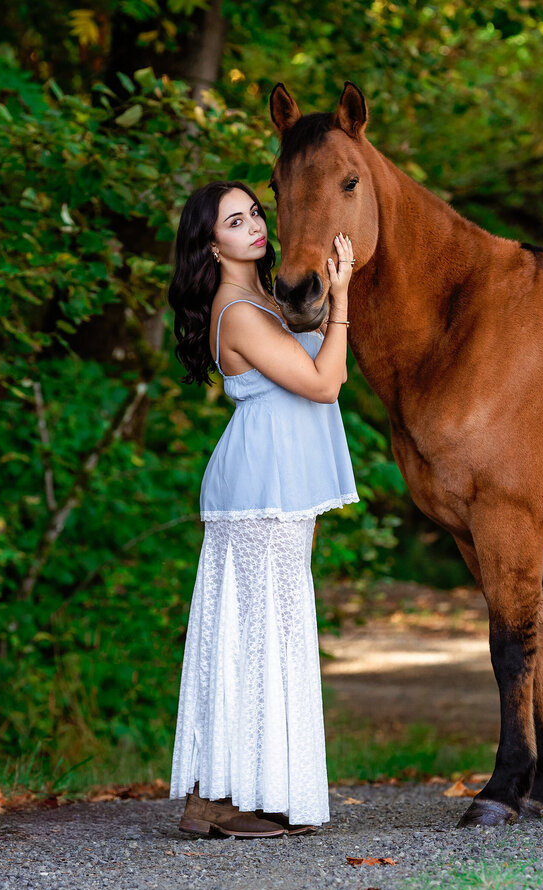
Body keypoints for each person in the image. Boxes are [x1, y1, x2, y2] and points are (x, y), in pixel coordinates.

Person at [167, 180, 357, 837]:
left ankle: (244, 792)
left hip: (275, 488)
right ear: (210, 244)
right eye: (233, 221)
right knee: (254, 636)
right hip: (257, 491)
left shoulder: (265, 302)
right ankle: (213, 801)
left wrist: (327, 294)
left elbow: (317, 370)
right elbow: (325, 383)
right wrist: (344, 301)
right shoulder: (239, 311)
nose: (253, 227)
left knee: (264, 634)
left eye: (254, 214)